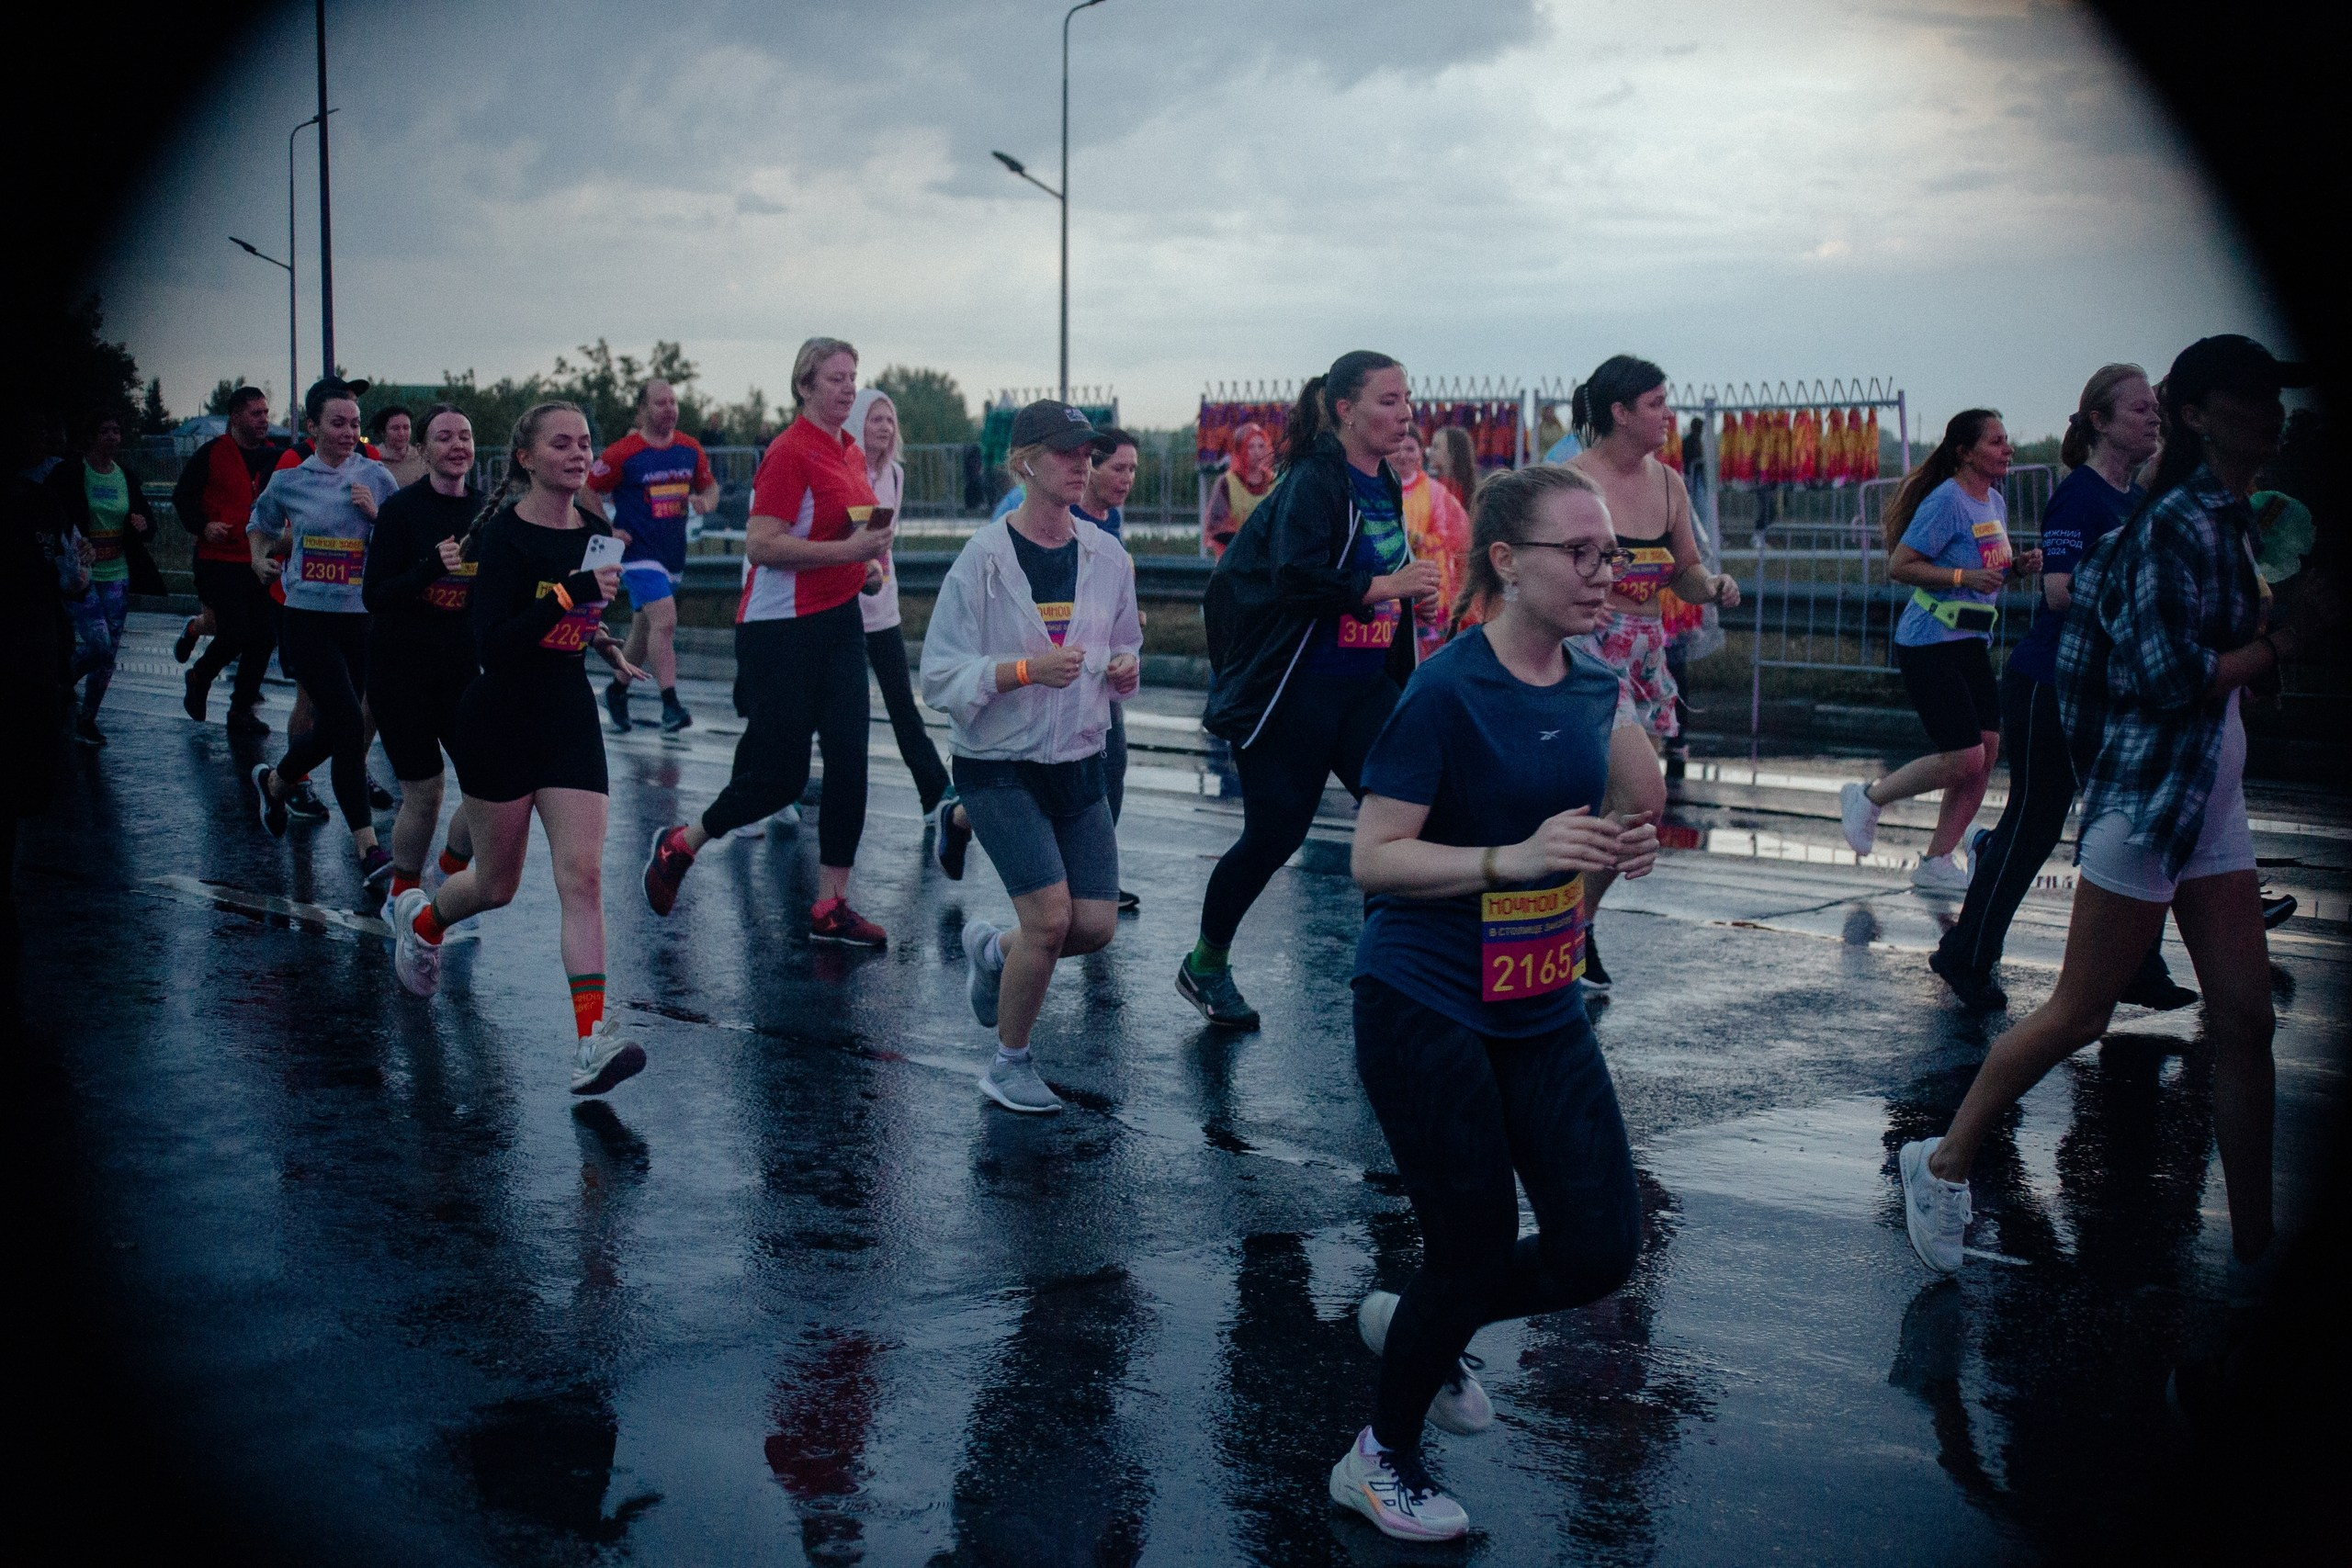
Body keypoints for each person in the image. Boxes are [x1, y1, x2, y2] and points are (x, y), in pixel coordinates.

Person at [1899, 336, 2311, 1302]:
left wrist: (2266, 643)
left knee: (2246, 1021)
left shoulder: (2231, 520)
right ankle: (1945, 1161)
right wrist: (2289, 637)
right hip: (2150, 793)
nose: (2274, 414)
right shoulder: (2156, 520)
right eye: (2248, 399)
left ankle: (2255, 1250)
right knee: (2078, 1009)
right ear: (2196, 412)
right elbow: (2153, 668)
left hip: (2208, 795)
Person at [1331, 465, 1651, 1543]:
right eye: (1583, 554)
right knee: (1468, 1248)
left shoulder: (1592, 684)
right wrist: (1511, 859)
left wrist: (1610, 856)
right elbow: (1372, 862)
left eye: (1613, 554)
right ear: (1508, 564)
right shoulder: (1445, 690)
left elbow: (1612, 816)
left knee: (1600, 1245)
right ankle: (1378, 1460)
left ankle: (1424, 1320)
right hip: (1424, 998)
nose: (1605, 574)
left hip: (1537, 993)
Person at [391, 400, 652, 1098]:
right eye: (561, 443)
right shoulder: (503, 538)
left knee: (584, 876)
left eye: (585, 443)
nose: (577, 453)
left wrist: (606, 647)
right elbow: (496, 644)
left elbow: (579, 616)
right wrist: (567, 595)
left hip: (567, 713)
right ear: (528, 459)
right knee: (498, 886)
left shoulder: (597, 532)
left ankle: (590, 1042)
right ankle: (422, 917)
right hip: (500, 714)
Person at [1929, 366, 2194, 1011]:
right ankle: (1966, 953)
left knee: (2129, 821)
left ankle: (2137, 962)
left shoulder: (2133, 500)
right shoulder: (2080, 494)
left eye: (2157, 409)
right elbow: (2058, 589)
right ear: (2100, 422)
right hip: (2050, 681)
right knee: (2035, 820)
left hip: (2103, 688)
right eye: (2140, 410)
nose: (2154, 418)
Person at [1192, 351, 1441, 1030]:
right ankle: (1206, 962)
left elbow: (1385, 574)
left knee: (1414, 819)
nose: (1405, 412)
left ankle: (1387, 969)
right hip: (1294, 691)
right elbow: (1295, 575)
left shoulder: (1382, 478)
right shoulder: (1315, 480)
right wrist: (1389, 586)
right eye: (1388, 400)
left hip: (1362, 691)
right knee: (1274, 835)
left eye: (1407, 398)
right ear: (1345, 410)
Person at [921, 400, 1142, 1114]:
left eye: (1088, 452)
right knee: (1049, 919)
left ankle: (994, 952)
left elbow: (1126, 641)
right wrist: (1022, 672)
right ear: (1025, 463)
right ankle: (1008, 1063)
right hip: (998, 766)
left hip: (1078, 759)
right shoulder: (982, 561)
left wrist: (1123, 671)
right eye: (1066, 452)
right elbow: (939, 678)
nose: (1083, 464)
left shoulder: (1107, 555)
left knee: (1094, 924)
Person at [641, 337, 894, 947]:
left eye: (853, 377)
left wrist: (867, 565)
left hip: (838, 623)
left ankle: (831, 902)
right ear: (804, 384)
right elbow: (761, 544)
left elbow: (856, 532)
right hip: (778, 630)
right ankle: (683, 842)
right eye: (834, 377)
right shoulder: (788, 451)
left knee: (850, 761)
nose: (847, 387)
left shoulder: (852, 450)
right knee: (779, 778)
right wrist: (846, 553)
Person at [1563, 356, 1740, 988]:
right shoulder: (1573, 481)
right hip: (1588, 648)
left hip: (1646, 649)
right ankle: (1567, 927)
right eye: (1656, 403)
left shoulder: (1668, 482)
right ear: (1620, 412)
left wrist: (1712, 585)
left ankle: (1573, 924)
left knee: (1625, 809)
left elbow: (1684, 571)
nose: (1669, 415)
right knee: (1640, 796)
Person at [1838, 411, 2042, 893]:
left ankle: (1935, 862)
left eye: (2007, 439)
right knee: (1965, 756)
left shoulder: (1992, 500)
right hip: (1929, 641)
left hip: (1971, 639)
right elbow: (1901, 565)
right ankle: (1868, 797)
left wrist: (2016, 568)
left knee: (1987, 753)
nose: (2008, 449)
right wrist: (1962, 578)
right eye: (1996, 442)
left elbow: (1982, 566)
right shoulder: (1947, 499)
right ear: (1965, 452)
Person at [244, 379, 402, 881]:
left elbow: (397, 542)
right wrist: (257, 559)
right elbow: (261, 522)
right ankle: (368, 848)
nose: (349, 433)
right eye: (337, 423)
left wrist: (375, 515)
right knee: (348, 723)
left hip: (359, 620)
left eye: (355, 425)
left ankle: (275, 780)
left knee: (339, 726)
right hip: (307, 619)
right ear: (312, 427)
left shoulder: (376, 478)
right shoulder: (291, 479)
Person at [362, 404, 482, 902]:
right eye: (444, 437)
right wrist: (431, 567)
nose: (457, 445)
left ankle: (446, 871)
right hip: (400, 669)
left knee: (490, 785)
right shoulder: (401, 510)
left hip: (459, 671)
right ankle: (403, 895)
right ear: (423, 451)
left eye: (466, 436)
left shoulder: (487, 511)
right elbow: (376, 595)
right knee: (427, 791)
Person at [585, 377, 718, 735]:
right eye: (660, 403)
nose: (670, 409)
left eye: (673, 402)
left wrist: (706, 502)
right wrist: (606, 529)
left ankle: (617, 689)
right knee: (666, 621)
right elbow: (588, 489)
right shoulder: (623, 452)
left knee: (645, 627)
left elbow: (710, 486)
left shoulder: (690, 449)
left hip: (673, 553)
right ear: (642, 409)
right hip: (638, 554)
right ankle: (671, 705)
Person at [848, 386, 953, 826]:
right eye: (876, 419)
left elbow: (885, 537)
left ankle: (935, 794)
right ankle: (785, 787)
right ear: (857, 425)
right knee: (834, 710)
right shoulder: (846, 471)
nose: (885, 428)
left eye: (890, 420)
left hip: (883, 606)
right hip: (845, 605)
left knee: (901, 704)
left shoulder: (895, 473)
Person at [46, 412, 162, 746]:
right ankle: (60, 680)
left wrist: (143, 526)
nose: (113, 437)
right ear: (90, 437)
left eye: (117, 431)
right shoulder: (71, 473)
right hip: (82, 574)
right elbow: (54, 514)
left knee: (107, 656)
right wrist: (73, 539)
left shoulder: (125, 476)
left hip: (117, 572)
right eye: (105, 431)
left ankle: (86, 720)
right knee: (98, 644)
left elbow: (146, 522)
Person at [172, 386, 281, 735]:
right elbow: (182, 498)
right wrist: (204, 525)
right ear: (235, 417)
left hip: (257, 558)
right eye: (256, 413)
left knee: (264, 636)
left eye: (266, 413)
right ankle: (200, 675)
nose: (264, 419)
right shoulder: (211, 453)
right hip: (217, 558)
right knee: (235, 631)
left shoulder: (274, 457)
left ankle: (241, 710)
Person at [1074, 425, 1142, 911]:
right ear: (1091, 467)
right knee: (1036, 774)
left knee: (1113, 763)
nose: (1127, 478)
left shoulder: (1111, 519)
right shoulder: (1066, 515)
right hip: (1060, 665)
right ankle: (959, 817)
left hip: (1101, 668)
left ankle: (1097, 879)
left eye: (1133, 469)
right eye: (1118, 468)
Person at [1392, 429, 1470, 662]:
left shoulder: (1436, 493)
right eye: (1399, 448)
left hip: (1428, 592)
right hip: (1389, 591)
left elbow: (1449, 539)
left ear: (1420, 454)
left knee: (1426, 660)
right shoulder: (1379, 489)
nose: (1403, 455)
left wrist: (1413, 538)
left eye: (1410, 448)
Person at [1203, 420, 1274, 558]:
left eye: (1261, 446)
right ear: (1240, 449)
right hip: (1236, 560)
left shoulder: (1274, 482)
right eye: (1250, 447)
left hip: (1268, 562)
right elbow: (1216, 528)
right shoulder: (1228, 483)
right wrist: (1247, 543)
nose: (1257, 452)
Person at [368, 405, 427, 487]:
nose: (402, 433)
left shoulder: (422, 458)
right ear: (383, 432)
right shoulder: (371, 461)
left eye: (406, 428)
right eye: (395, 428)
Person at [1425, 423, 1476, 512]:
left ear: (1451, 454)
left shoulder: (1452, 489)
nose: (1429, 452)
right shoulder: (1466, 487)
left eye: (1436, 447)